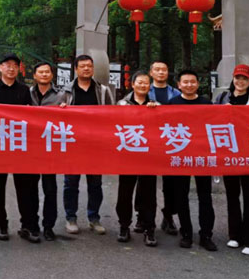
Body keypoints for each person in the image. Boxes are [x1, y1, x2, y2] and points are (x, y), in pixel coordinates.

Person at [61, 54, 115, 235]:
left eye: (89, 66)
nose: (86, 69)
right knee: (71, 184)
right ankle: (71, 217)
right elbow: (57, 117)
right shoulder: (66, 91)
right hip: (72, 144)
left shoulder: (102, 90)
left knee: (95, 184)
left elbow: (112, 114)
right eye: (82, 66)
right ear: (76, 69)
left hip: (95, 145)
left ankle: (94, 218)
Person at [167, 69, 218, 252]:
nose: (189, 85)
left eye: (192, 81)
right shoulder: (172, 104)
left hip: (202, 156)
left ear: (198, 84)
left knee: (205, 196)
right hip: (181, 156)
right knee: (181, 196)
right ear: (179, 85)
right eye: (185, 82)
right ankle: (186, 233)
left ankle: (206, 235)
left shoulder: (207, 103)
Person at [216, 64, 249, 256]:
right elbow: (211, 121)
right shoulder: (222, 99)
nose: (240, 81)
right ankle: (235, 234)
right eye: (238, 78)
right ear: (233, 79)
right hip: (229, 154)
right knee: (232, 195)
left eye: (245, 79)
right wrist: (222, 112)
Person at [0, 53, 33, 242]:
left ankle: (26, 225)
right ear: (0, 68)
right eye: (7, 64)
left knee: (23, 186)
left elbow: (33, 115)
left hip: (19, 144)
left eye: (15, 65)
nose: (11, 68)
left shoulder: (24, 90)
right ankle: (2, 223)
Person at [116, 71, 158, 247]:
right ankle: (124, 226)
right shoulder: (121, 104)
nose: (142, 85)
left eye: (146, 83)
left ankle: (149, 228)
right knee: (124, 193)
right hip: (128, 155)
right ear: (132, 84)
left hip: (149, 156)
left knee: (149, 194)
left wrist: (155, 112)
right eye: (139, 82)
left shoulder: (156, 105)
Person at [29, 61, 65, 241]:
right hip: (30, 148)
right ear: (34, 75)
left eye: (47, 72)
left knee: (50, 189)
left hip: (51, 148)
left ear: (52, 75)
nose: (44, 75)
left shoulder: (62, 95)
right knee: (30, 189)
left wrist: (66, 110)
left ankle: (49, 226)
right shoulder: (27, 93)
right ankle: (32, 224)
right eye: (40, 72)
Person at [146, 61, 180, 237]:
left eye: (164, 70)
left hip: (170, 141)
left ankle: (169, 216)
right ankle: (143, 217)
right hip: (148, 141)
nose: (161, 72)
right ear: (151, 73)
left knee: (171, 183)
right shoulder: (144, 90)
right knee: (145, 181)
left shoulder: (176, 93)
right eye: (157, 70)